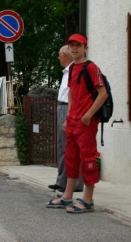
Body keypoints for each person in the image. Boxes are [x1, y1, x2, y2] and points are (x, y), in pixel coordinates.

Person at [45, 33, 107, 213]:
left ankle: (88, 200)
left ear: (85, 48)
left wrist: (88, 115)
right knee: (71, 159)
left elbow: (103, 94)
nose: (74, 48)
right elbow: (71, 93)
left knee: (87, 159)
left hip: (86, 122)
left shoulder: (91, 68)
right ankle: (67, 197)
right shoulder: (72, 69)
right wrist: (69, 117)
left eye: (78, 45)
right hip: (73, 121)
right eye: (71, 45)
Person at [48, 45, 84, 193]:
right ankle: (62, 180)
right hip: (62, 106)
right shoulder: (67, 71)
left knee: (71, 146)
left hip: (69, 108)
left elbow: (75, 95)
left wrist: (69, 116)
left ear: (64, 56)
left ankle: (75, 183)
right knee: (62, 146)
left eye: (59, 55)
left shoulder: (74, 70)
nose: (58, 58)